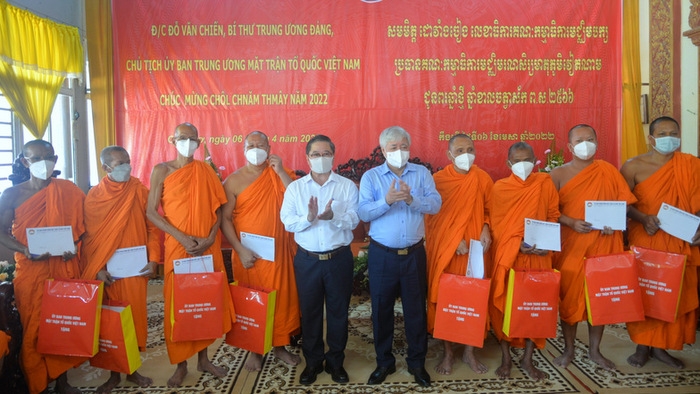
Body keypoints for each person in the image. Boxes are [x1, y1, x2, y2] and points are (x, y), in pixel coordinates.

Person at [146, 123, 235, 387]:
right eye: (182, 138)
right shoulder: (162, 170)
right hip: (178, 246)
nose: (188, 142)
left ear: (199, 142)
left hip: (207, 246)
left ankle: (204, 360)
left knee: (204, 301)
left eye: (192, 138)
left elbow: (219, 208)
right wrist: (182, 238)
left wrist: (209, 238)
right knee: (179, 305)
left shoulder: (205, 170)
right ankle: (181, 364)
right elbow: (151, 212)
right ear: (173, 139)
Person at [358, 126, 442, 387]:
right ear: (383, 151)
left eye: (403, 146)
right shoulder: (371, 177)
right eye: (393, 147)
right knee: (381, 310)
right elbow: (363, 213)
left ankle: (417, 363)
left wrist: (411, 199)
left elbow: (436, 204)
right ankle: (384, 362)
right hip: (382, 255)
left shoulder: (422, 174)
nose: (399, 151)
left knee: (416, 310)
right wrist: (387, 201)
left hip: (414, 255)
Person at [549, 124, 637, 371]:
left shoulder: (608, 171)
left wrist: (614, 224)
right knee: (570, 301)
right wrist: (570, 222)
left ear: (597, 143)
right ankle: (568, 350)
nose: (584, 144)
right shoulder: (557, 174)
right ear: (569, 146)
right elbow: (549, 212)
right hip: (572, 246)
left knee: (600, 299)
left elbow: (624, 206)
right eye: (579, 140)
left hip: (603, 244)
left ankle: (595, 351)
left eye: (590, 139)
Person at [0, 140, 86, 394]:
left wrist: (75, 247)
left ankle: (62, 380)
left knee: (62, 323)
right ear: (26, 162)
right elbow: (2, 232)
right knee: (35, 327)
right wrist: (23, 249)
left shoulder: (69, 190)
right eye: (36, 159)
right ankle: (37, 381)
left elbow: (82, 228)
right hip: (31, 270)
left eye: (48, 157)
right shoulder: (12, 194)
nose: (43, 163)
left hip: (63, 266)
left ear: (56, 159)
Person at [620, 116, 700, 369]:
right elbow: (623, 205)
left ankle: (662, 347)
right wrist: (643, 218)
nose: (669, 137)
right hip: (648, 238)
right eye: (663, 133)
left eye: (673, 132)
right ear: (651, 138)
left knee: (674, 293)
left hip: (681, 241)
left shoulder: (691, 165)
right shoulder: (633, 166)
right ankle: (643, 346)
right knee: (648, 292)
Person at [80, 146, 161, 392]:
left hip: (135, 270)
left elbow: (153, 229)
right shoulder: (94, 197)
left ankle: (132, 371)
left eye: (127, 161)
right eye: (119, 163)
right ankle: (113, 374)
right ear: (106, 168)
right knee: (111, 323)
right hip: (109, 273)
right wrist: (97, 269)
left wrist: (154, 258)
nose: (126, 166)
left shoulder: (139, 190)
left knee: (134, 320)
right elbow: (90, 240)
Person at [280, 135, 359, 385]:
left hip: (339, 259)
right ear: (307, 158)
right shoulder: (296, 188)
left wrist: (332, 217)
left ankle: (336, 362)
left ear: (333, 156)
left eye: (326, 154)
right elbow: (288, 222)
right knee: (311, 313)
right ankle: (313, 363)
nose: (321, 158)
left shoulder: (346, 186)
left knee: (338, 313)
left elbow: (355, 221)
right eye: (316, 154)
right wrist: (309, 218)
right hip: (308, 261)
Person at [220, 131, 301, 372]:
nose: (256, 149)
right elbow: (224, 219)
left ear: (269, 147)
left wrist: (281, 172)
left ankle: (279, 346)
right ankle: (255, 349)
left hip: (279, 253)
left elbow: (299, 197)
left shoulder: (280, 174)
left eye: (260, 145)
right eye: (250, 145)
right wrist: (240, 249)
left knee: (281, 298)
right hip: (249, 255)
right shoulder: (233, 181)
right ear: (243, 150)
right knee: (252, 301)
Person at [489, 141, 560, 380]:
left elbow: (552, 216)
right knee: (506, 307)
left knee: (535, 307)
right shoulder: (500, 188)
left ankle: (528, 359)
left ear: (535, 160)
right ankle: (506, 357)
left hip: (539, 257)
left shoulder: (544, 183)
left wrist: (547, 245)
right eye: (518, 160)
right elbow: (497, 227)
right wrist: (516, 245)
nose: (523, 164)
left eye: (527, 159)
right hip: (510, 257)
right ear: (509, 163)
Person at [424, 134, 492, 375]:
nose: (466, 154)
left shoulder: (482, 178)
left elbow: (490, 209)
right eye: (460, 150)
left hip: (476, 249)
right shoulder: (438, 181)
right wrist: (453, 241)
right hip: (449, 251)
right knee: (448, 300)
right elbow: (432, 220)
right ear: (449, 155)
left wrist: (485, 226)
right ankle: (449, 353)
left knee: (473, 299)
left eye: (470, 149)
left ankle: (469, 352)